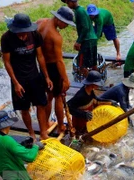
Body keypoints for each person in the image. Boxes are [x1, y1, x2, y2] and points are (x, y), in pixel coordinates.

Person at [1, 13, 53, 140]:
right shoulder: (7, 38)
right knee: (24, 108)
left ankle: (43, 132)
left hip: (35, 76)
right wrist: (16, 83)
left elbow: (40, 56)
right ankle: (31, 134)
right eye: (20, 33)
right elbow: (7, 62)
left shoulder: (35, 35)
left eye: (25, 33)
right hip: (19, 79)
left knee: (40, 104)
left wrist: (46, 76)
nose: (23, 35)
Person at [36, 6, 75, 134]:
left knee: (49, 96)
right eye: (66, 23)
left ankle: (46, 123)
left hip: (43, 67)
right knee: (58, 96)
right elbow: (59, 61)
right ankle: (60, 126)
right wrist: (65, 79)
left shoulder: (40, 23)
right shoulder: (56, 37)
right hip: (53, 67)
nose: (66, 26)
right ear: (59, 19)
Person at [0, 110, 44, 179]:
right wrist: (36, 146)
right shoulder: (5, 139)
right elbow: (29, 157)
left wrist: (22, 145)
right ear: (6, 125)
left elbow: (6, 153)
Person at [67, 70, 117, 136]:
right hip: (80, 121)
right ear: (92, 84)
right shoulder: (81, 95)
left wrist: (110, 102)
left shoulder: (90, 91)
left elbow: (97, 100)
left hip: (87, 119)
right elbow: (68, 106)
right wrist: (84, 114)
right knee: (81, 136)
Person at [63, 0, 98, 77]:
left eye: (68, 3)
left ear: (72, 2)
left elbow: (85, 27)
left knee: (81, 65)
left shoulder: (79, 11)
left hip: (87, 41)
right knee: (93, 64)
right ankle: (96, 80)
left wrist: (78, 41)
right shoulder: (80, 10)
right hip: (92, 39)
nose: (68, 5)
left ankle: (89, 83)